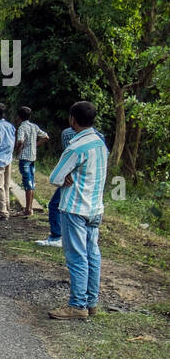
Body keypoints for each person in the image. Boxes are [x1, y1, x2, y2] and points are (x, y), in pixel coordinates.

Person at [48, 101, 108, 320]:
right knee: (92, 254)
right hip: (95, 208)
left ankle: (77, 305)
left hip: (75, 208)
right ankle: (91, 302)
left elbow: (54, 177)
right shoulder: (100, 143)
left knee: (76, 257)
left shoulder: (75, 147)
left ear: (72, 119)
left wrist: (66, 176)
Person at [36, 122, 104, 248]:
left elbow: (57, 176)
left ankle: (57, 236)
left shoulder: (68, 134)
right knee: (91, 248)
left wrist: (66, 172)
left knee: (55, 205)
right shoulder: (99, 138)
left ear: (73, 118)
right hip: (93, 189)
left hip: (74, 185)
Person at [13, 105, 48, 217]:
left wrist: (18, 150)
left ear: (19, 116)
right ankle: (30, 207)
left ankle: (28, 209)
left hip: (24, 157)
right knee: (31, 182)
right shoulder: (34, 126)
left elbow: (20, 141)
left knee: (27, 183)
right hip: (33, 156)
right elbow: (46, 137)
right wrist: (35, 145)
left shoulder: (22, 128)